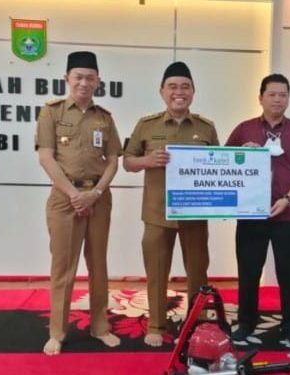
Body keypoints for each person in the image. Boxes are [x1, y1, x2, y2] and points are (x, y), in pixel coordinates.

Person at [123, 61, 219, 347]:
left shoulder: (206, 127)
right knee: (156, 270)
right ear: (162, 91)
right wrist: (147, 161)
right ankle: (156, 324)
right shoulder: (146, 125)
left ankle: (197, 322)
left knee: (198, 271)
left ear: (193, 92)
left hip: (195, 213)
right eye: (173, 87)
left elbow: (220, 165)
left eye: (185, 87)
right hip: (157, 213)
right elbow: (128, 161)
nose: (179, 92)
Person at [35, 51, 122, 355]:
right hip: (64, 199)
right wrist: (73, 194)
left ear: (98, 81)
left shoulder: (105, 118)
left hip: (98, 198)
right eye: (78, 77)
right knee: (64, 267)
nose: (84, 83)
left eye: (90, 77)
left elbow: (112, 161)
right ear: (67, 80)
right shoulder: (52, 113)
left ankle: (100, 327)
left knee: (98, 265)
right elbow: (46, 156)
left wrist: (95, 192)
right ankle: (57, 332)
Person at [225, 73, 290, 347]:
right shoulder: (245, 129)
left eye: (283, 94)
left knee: (289, 272)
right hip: (252, 215)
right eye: (272, 94)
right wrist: (243, 152)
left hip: (288, 214)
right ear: (261, 97)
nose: (278, 99)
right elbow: (225, 162)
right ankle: (246, 322)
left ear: (289, 98)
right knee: (249, 271)